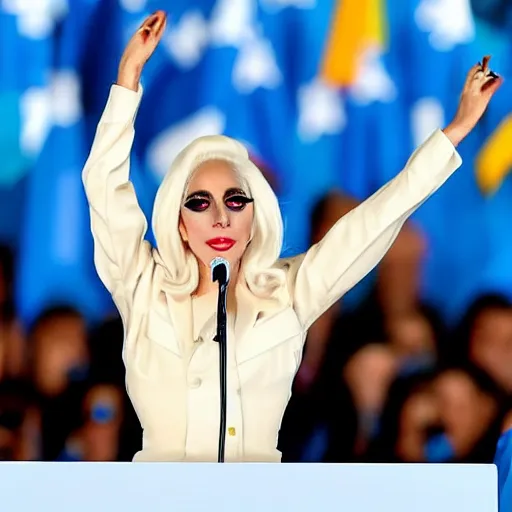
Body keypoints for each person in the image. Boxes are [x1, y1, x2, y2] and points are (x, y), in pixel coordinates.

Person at [82, 10, 502, 462]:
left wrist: (455, 132)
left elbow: (374, 223)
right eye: (200, 203)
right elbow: (105, 189)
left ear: (254, 217)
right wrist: (127, 82)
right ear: (178, 221)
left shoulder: (286, 293)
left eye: (236, 201)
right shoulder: (143, 288)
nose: (220, 217)